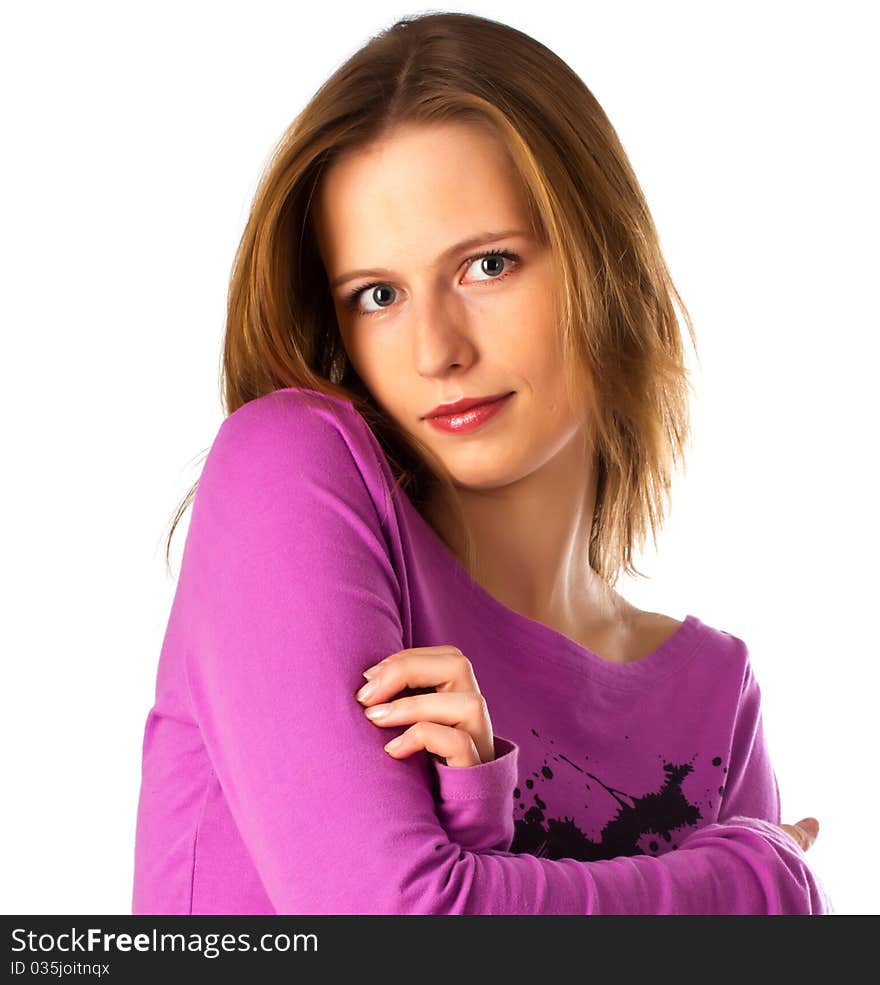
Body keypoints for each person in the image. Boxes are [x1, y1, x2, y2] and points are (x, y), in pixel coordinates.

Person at [132, 11, 831, 914]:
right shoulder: (287, 472)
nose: (435, 349)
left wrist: (472, 836)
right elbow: (397, 923)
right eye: (377, 295)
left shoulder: (712, 697)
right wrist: (747, 884)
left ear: (603, 259)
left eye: (488, 265)